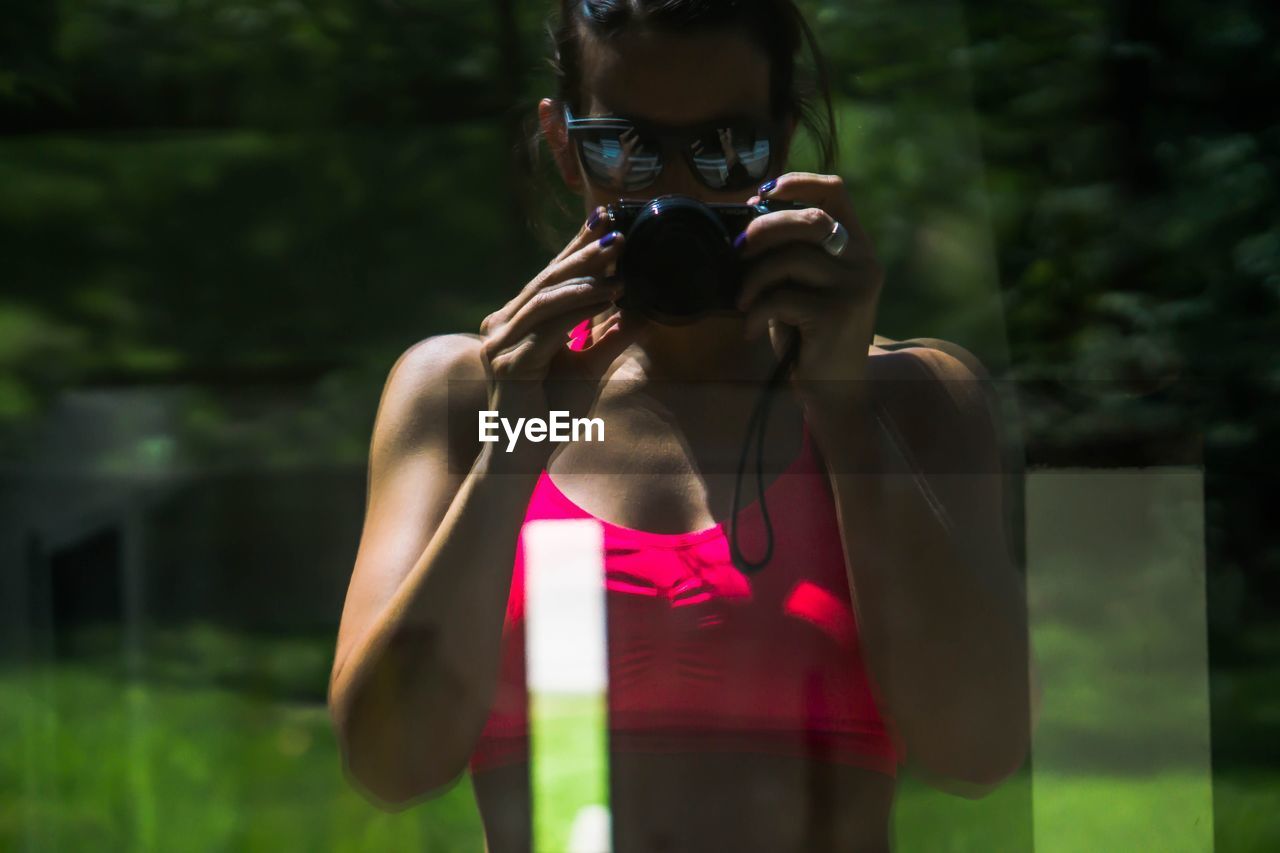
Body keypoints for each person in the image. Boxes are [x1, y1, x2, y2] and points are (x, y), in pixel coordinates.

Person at [327, 1, 1033, 850]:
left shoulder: (909, 397)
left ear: (787, 138)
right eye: (622, 147)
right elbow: (388, 762)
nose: (676, 193)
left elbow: (977, 752)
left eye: (726, 150)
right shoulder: (464, 394)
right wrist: (520, 437)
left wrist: (841, 402)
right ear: (562, 141)